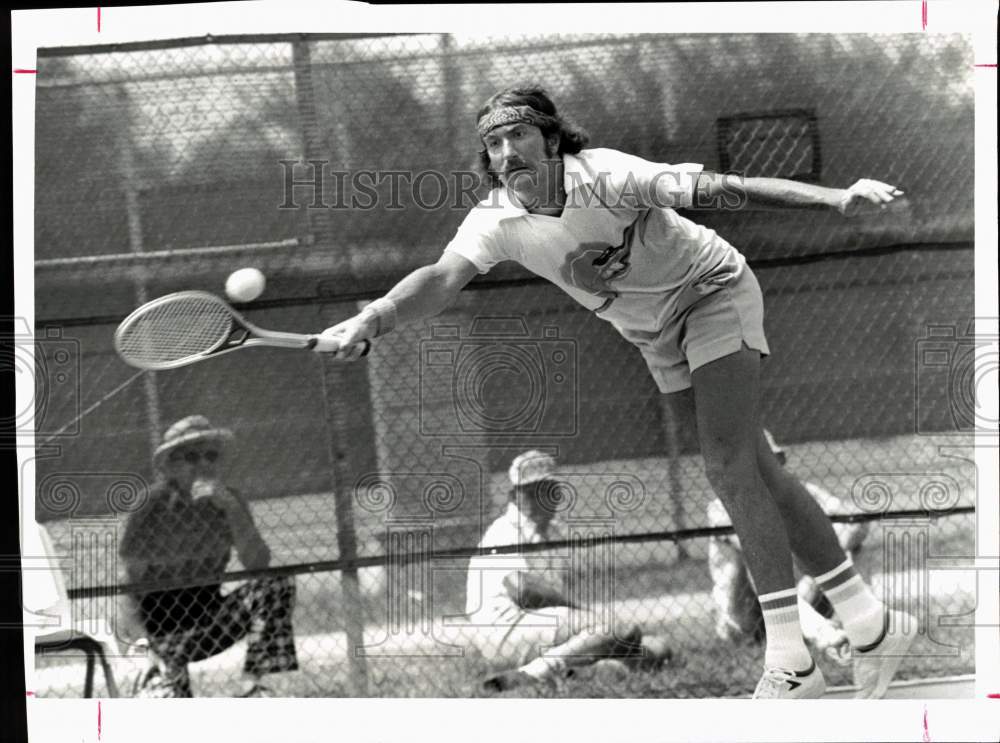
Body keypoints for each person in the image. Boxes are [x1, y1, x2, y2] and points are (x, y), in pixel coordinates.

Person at [316, 85, 914, 699]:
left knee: (729, 468)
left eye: (517, 136)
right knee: (755, 468)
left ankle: (793, 659)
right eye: (493, 144)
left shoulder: (608, 174)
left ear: (550, 141)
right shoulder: (496, 220)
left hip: (712, 290)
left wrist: (837, 198)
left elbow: (725, 187)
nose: (505, 153)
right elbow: (442, 278)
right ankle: (871, 623)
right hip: (653, 335)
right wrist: (375, 318)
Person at [118, 415, 298, 697]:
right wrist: (142, 648)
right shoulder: (150, 505)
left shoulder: (229, 500)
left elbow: (258, 564)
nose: (204, 465)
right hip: (160, 632)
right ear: (171, 466)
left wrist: (231, 509)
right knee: (168, 705)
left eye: (211, 456)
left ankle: (253, 686)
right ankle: (166, 681)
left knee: (276, 582)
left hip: (211, 620)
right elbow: (127, 586)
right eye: (192, 456)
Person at [467, 451, 671, 692]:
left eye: (547, 489)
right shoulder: (504, 531)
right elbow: (524, 591)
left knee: (657, 647)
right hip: (506, 632)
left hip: (544, 632)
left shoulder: (552, 531)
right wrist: (583, 613)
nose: (540, 498)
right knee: (618, 630)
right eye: (531, 491)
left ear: (558, 493)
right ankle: (535, 673)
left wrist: (586, 620)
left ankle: (587, 672)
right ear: (515, 495)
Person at [707, 429, 869, 664]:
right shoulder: (722, 505)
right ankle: (826, 636)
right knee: (757, 558)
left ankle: (863, 621)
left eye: (768, 461)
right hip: (744, 619)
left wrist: (822, 564)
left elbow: (857, 521)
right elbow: (754, 546)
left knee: (851, 543)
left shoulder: (797, 492)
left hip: (800, 597)